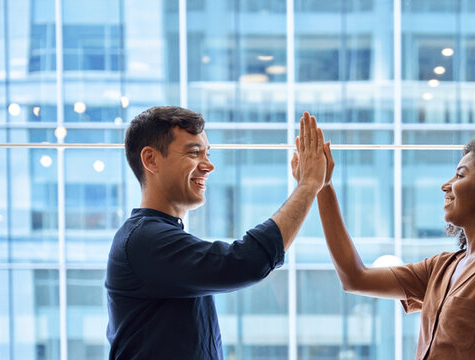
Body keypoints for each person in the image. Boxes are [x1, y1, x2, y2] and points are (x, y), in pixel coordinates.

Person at [305, 133, 475, 359]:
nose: (446, 185)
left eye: (460, 175)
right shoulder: (441, 267)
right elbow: (354, 277)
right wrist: (323, 186)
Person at [106, 106, 328, 359]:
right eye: (194, 153)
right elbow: (245, 262)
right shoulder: (144, 240)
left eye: (207, 154)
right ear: (151, 159)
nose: (209, 166)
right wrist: (309, 185)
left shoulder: (160, 236)